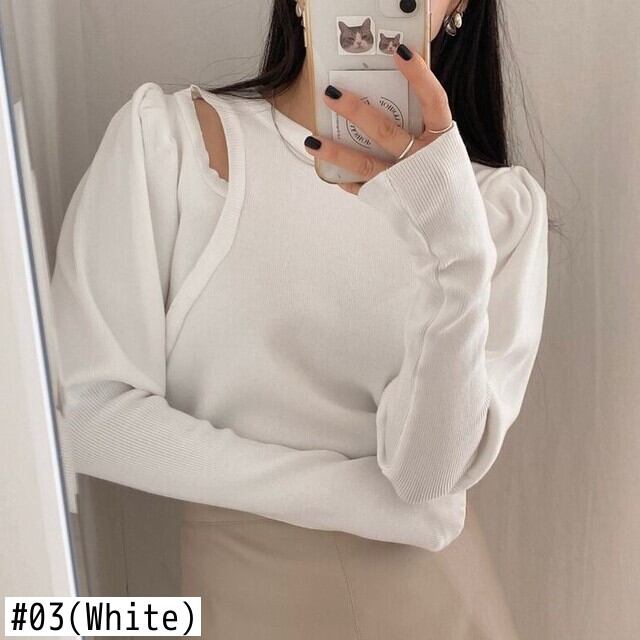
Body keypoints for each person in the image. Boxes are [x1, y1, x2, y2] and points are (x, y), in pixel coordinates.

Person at [51, 0, 548, 636]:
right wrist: (364, 503)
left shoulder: (496, 210)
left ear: (458, 8)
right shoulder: (169, 140)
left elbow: (425, 476)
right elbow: (84, 415)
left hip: (437, 610)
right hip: (241, 605)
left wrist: (457, 253)